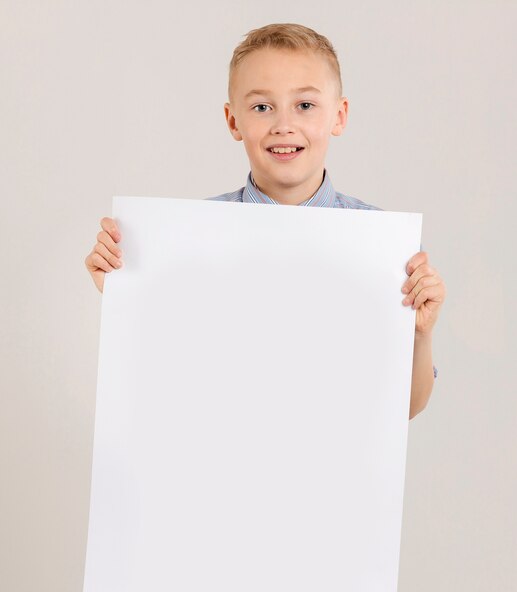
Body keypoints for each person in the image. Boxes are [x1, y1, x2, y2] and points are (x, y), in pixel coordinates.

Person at [84, 23, 446, 419]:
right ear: (233, 121)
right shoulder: (189, 237)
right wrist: (128, 296)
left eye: (304, 105)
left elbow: (406, 408)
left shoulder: (385, 247)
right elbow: (164, 382)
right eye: (261, 107)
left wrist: (419, 333)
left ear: (338, 116)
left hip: (333, 473)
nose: (283, 125)